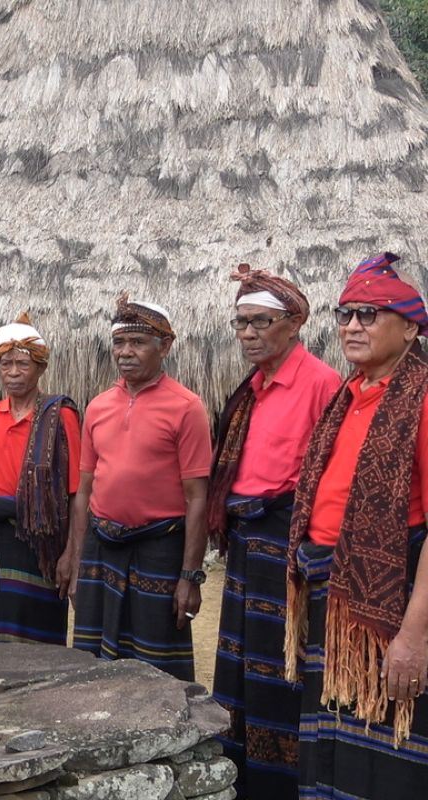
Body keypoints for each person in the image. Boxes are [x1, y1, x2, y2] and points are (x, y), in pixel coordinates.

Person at [285, 252, 428, 798]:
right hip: (333, 598)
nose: (351, 326)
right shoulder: (347, 398)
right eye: (344, 314)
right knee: (332, 748)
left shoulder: (420, 397)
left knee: (389, 754)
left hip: (389, 603)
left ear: (411, 327)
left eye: (369, 314)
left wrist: (414, 636)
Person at [206, 265, 340, 799]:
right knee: (240, 658)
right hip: (246, 538)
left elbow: (324, 475)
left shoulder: (321, 382)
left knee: (279, 662)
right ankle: (239, 771)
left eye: (259, 321)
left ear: (293, 323)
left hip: (287, 540)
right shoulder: (253, 388)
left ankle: (280, 782)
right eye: (240, 323)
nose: (247, 333)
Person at [61, 294, 212, 681]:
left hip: (159, 548)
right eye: (119, 342)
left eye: (138, 342)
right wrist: (77, 562)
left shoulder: (187, 407)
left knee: (156, 666)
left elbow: (198, 499)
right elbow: (84, 491)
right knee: (95, 664)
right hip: (101, 545)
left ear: (165, 347)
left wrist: (190, 576)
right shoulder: (97, 407)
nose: (126, 352)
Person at [0, 313, 79, 643]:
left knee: (35, 629)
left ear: (41, 368)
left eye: (22, 364)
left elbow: (74, 494)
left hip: (39, 539)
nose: (12, 373)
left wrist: (71, 553)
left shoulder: (60, 418)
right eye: (5, 364)